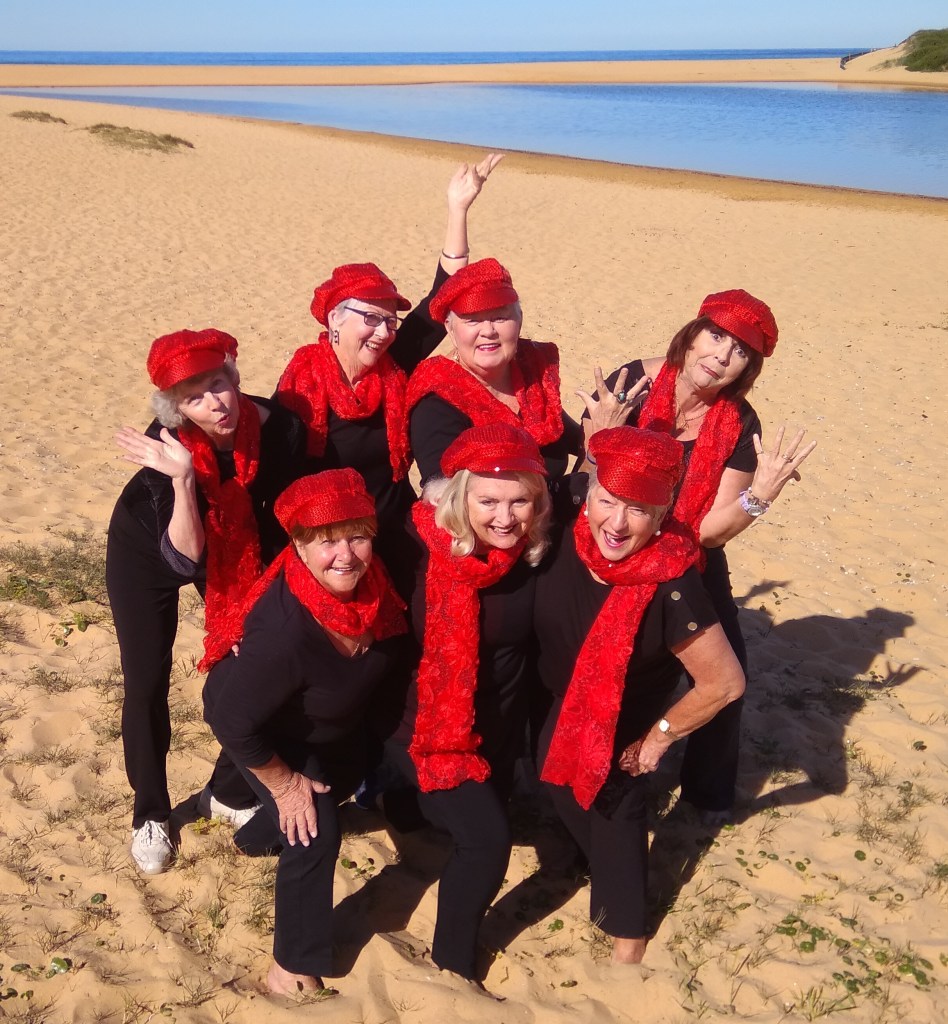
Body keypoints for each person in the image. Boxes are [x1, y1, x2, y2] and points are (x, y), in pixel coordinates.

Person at [579, 289, 815, 816]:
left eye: (740, 351)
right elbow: (589, 481)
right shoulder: (630, 384)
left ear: (748, 368)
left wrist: (760, 497)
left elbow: (709, 532)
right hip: (611, 540)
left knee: (729, 674)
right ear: (691, 335)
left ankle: (706, 796)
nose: (722, 355)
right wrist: (600, 438)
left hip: (687, 554)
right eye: (716, 336)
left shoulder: (740, 425)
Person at [535, 426, 746, 963]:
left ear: (662, 514)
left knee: (616, 805)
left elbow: (724, 682)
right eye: (608, 501)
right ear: (589, 495)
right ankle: (599, 865)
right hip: (561, 698)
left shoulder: (674, 583)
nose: (616, 523)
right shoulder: (568, 521)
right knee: (553, 779)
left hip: (623, 716)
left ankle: (628, 936)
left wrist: (658, 738)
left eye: (638, 510)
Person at [107, 328, 306, 875]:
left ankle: (225, 791)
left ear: (234, 377)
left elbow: (281, 518)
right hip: (154, 546)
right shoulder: (167, 448)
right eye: (194, 397)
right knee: (146, 679)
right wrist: (182, 481)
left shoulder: (279, 428)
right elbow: (183, 559)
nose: (215, 403)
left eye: (218, 384)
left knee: (259, 655)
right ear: (177, 409)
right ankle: (150, 813)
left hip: (234, 549)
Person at [203, 469, 407, 996]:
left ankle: (253, 838)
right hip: (261, 723)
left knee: (345, 776)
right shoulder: (285, 632)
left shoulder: (380, 588)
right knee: (314, 826)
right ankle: (291, 964)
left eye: (357, 537)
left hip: (328, 723)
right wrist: (286, 784)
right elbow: (233, 721)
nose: (345, 556)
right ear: (297, 546)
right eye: (326, 542)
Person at [273, 155, 502, 582]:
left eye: (390, 321)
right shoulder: (301, 387)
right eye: (371, 318)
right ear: (335, 319)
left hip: (394, 531)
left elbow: (443, 294)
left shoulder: (394, 366)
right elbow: (275, 477)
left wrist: (458, 209)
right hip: (334, 545)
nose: (383, 332)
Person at [381, 423, 551, 987]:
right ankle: (453, 966)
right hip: (425, 729)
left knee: (468, 818)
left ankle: (398, 805)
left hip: (496, 730)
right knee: (486, 843)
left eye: (519, 501)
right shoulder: (413, 545)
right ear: (459, 498)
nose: (504, 518)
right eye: (488, 501)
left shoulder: (536, 554)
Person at [406, 257, 582, 487]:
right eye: (472, 320)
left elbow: (572, 437)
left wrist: (601, 424)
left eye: (500, 317)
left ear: (519, 320)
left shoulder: (531, 370)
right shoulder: (436, 402)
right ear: (450, 328)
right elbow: (446, 496)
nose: (488, 331)